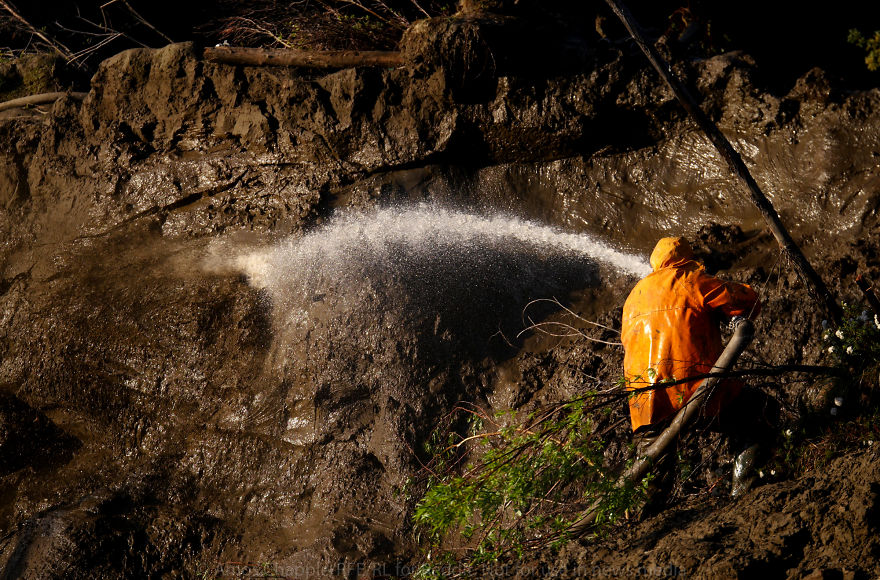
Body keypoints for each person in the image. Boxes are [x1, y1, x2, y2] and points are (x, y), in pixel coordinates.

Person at [621, 236, 763, 499]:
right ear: (687, 259)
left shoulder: (633, 297)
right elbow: (745, 300)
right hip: (696, 390)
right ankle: (746, 496)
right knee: (755, 412)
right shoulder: (689, 279)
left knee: (651, 475)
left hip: (646, 404)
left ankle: (640, 527)